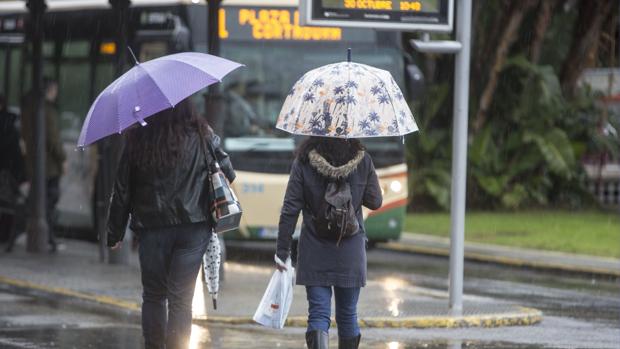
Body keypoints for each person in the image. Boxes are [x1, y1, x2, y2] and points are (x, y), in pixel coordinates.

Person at [106, 97, 235, 349]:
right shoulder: (202, 134)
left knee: (154, 295)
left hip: (152, 228)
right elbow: (228, 173)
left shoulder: (137, 139)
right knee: (181, 300)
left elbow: (122, 190)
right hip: (193, 228)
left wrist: (115, 232)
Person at [276, 137, 382, 349]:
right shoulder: (363, 160)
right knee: (348, 314)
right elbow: (375, 201)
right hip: (350, 250)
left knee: (318, 314)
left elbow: (290, 209)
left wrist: (282, 250)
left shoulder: (304, 161)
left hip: (315, 249)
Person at [20, 78, 66, 252]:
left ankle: (46, 235)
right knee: (48, 202)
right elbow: (53, 139)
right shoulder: (46, 111)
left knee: (40, 201)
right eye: (55, 90)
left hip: (35, 164)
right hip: (49, 166)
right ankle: (49, 237)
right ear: (50, 90)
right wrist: (63, 158)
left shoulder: (28, 109)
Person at [0, 94, 25, 244]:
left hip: (6, 171)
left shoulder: (5, 124)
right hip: (11, 171)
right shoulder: (10, 123)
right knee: (8, 203)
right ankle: (6, 233)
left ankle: (5, 234)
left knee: (7, 203)